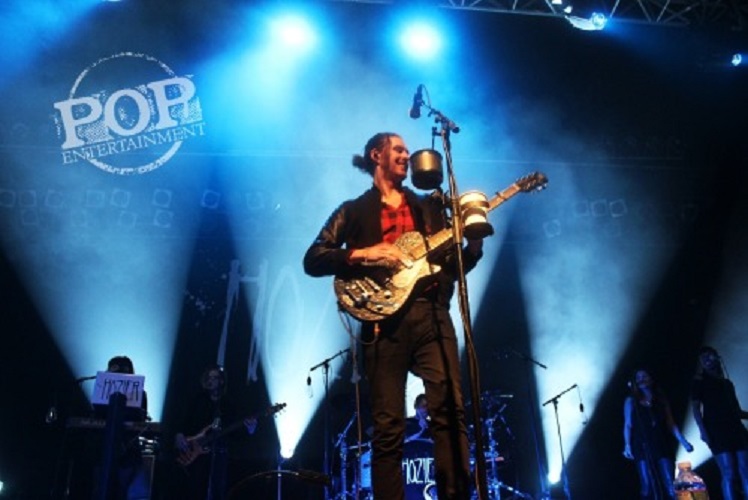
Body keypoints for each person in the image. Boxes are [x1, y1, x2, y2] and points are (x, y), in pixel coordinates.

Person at [303, 132, 484, 500]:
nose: (406, 155)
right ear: (377, 155)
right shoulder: (353, 211)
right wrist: (365, 253)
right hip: (382, 323)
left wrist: (474, 247)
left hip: (431, 315)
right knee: (388, 428)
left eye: (407, 150)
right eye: (398, 149)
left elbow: (450, 269)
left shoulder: (427, 208)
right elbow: (314, 258)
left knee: (450, 414)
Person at [174, 365, 257, 500]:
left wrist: (250, 429)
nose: (210, 380)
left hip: (218, 457)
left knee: (217, 490)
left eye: (214, 377)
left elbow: (236, 434)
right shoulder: (198, 401)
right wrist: (179, 435)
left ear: (221, 381)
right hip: (196, 457)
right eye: (208, 377)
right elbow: (184, 421)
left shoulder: (228, 404)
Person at [623, 368, 693, 499]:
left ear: (651, 379)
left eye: (644, 376)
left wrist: (683, 441)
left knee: (670, 483)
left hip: (661, 443)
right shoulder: (631, 401)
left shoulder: (661, 399)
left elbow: (671, 423)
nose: (641, 379)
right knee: (648, 485)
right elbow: (628, 425)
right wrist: (627, 445)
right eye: (638, 377)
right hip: (642, 446)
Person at [691, 346, 748, 500]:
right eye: (703, 358)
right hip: (716, 431)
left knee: (745, 470)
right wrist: (703, 431)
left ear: (716, 357)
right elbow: (696, 409)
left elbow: (737, 411)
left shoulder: (726, 383)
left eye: (709, 356)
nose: (707, 360)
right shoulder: (699, 383)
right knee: (729, 472)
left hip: (736, 429)